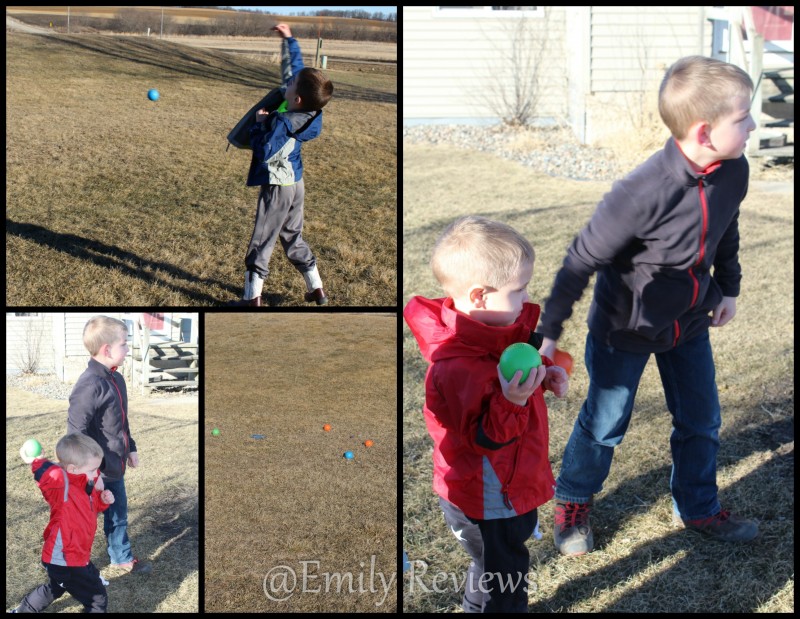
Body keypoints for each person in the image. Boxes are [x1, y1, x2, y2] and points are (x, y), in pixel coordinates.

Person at [536, 55, 759, 556]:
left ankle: (698, 506)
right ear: (704, 132)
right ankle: (573, 499)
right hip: (625, 329)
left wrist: (730, 287)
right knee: (606, 424)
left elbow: (725, 228)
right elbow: (578, 261)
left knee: (702, 419)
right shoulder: (638, 194)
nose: (752, 125)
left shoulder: (733, 171)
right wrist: (548, 333)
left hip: (691, 321)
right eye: (742, 118)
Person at [404, 216, 568, 613]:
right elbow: (484, 437)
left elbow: (514, 369)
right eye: (519, 289)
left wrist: (544, 375)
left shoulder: (495, 330)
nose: (527, 296)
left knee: (496, 562)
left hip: (505, 485)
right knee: (504, 578)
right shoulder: (456, 365)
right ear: (480, 296)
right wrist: (512, 402)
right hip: (488, 495)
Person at [230, 23, 334, 306]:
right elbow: (297, 70)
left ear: (296, 98)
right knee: (292, 237)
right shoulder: (310, 111)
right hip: (296, 183)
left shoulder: (282, 120)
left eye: (290, 85)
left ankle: (252, 298)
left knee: (262, 240)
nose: (286, 84)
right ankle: (316, 288)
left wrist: (260, 124)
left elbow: (264, 150)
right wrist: (290, 40)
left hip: (278, 186)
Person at [68, 316, 152, 574]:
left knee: (118, 516)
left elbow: (121, 421)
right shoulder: (89, 385)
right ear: (107, 350)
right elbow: (75, 434)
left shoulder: (117, 380)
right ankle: (71, 562)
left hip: (114, 465)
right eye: (124, 345)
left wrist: (132, 447)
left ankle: (121, 557)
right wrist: (92, 474)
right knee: (84, 520)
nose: (128, 350)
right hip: (95, 472)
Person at [11, 433, 115, 613]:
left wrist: (103, 501)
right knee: (97, 598)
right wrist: (36, 460)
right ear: (73, 469)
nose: (96, 474)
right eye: (92, 470)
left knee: (55, 588)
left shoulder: (84, 484)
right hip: (66, 559)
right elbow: (48, 474)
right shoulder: (62, 485)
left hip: (75, 554)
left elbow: (90, 508)